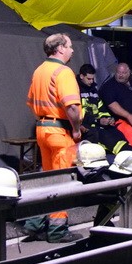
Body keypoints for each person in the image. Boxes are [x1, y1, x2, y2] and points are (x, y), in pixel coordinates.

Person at [24, 33, 83, 243]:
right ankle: (57, 231)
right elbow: (73, 107)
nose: (72, 50)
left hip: (43, 130)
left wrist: (46, 118)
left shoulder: (40, 70)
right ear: (60, 49)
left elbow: (31, 102)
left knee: (46, 180)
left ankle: (34, 223)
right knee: (61, 181)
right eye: (69, 46)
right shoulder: (64, 72)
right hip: (60, 132)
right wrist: (76, 129)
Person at [78, 64, 131, 156]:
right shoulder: (76, 90)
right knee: (105, 137)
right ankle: (126, 154)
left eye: (93, 79)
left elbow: (101, 108)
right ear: (82, 76)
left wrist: (107, 118)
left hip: (97, 124)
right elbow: (78, 114)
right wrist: (97, 120)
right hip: (84, 126)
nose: (91, 81)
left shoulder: (94, 91)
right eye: (89, 79)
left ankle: (129, 151)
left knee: (117, 133)